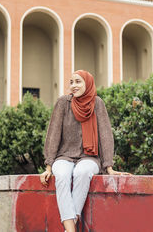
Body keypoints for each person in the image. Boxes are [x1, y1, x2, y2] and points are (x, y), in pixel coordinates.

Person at [40, 70, 129, 232]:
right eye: (71, 82)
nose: (73, 86)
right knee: (62, 175)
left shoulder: (97, 103)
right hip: (64, 156)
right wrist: (48, 166)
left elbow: (105, 135)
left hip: (90, 157)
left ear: (87, 84)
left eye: (78, 82)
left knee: (82, 173)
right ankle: (72, 229)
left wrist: (108, 166)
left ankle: (69, 228)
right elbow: (53, 134)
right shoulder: (63, 103)